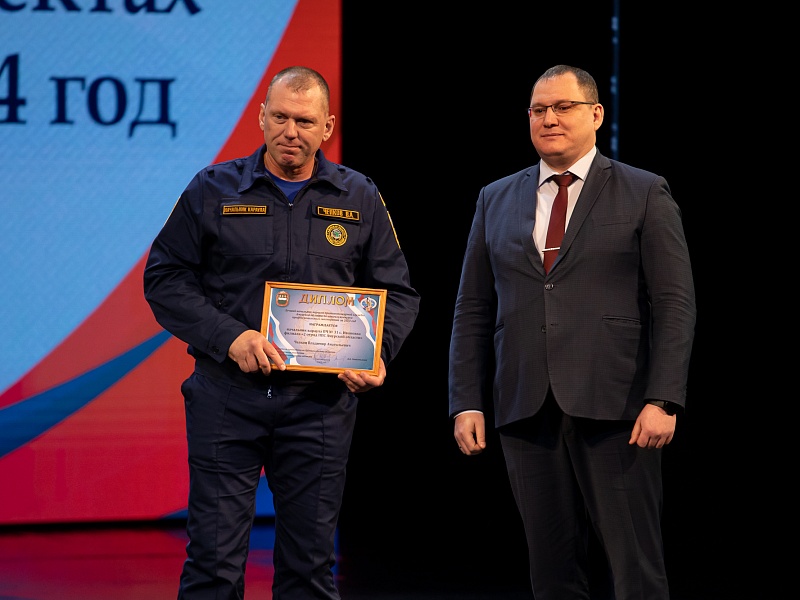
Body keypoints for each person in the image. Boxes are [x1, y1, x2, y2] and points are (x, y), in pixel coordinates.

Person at [143, 65, 420, 600]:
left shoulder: (359, 195)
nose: (291, 131)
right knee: (213, 565)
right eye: (281, 117)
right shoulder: (212, 188)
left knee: (309, 569)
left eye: (305, 121)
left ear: (328, 127)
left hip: (320, 406)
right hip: (227, 396)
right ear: (262, 117)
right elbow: (165, 278)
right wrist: (231, 337)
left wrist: (375, 354)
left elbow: (398, 292)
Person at [448, 64, 696, 600]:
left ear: (596, 114)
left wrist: (663, 398)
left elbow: (674, 303)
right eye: (538, 110)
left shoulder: (643, 191)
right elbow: (473, 307)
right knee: (552, 575)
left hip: (619, 409)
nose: (549, 119)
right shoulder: (495, 197)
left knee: (636, 570)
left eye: (563, 107)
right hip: (525, 408)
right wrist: (466, 400)